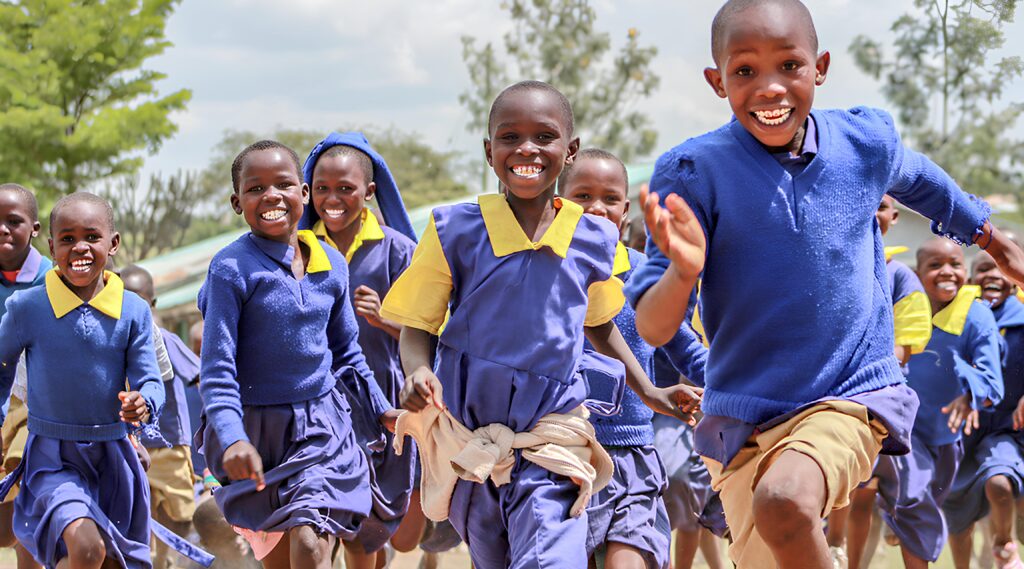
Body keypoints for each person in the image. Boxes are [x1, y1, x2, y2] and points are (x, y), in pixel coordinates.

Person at [626, 1, 1024, 567]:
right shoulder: (691, 173)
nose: (769, 88)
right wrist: (684, 271)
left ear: (820, 67)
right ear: (717, 81)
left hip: (851, 393)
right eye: (745, 72)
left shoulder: (863, 142)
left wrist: (991, 238)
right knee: (779, 523)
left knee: (785, 499)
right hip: (745, 422)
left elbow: (922, 181)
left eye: (789, 65)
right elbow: (654, 324)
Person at [382, 80, 700, 569]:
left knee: (552, 557)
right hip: (473, 449)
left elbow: (601, 325)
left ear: (569, 151)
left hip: (552, 441)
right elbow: (418, 325)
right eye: (510, 137)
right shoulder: (454, 231)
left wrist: (649, 392)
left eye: (544, 137)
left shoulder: (592, 237)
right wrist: (417, 371)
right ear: (490, 152)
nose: (526, 149)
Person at [196, 140, 395, 569]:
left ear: (303, 194)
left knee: (310, 543)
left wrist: (381, 410)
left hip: (322, 426)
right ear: (237, 202)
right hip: (257, 435)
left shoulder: (332, 265)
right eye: (255, 189)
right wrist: (232, 437)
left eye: (283, 184)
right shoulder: (230, 269)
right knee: (282, 559)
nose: (271, 196)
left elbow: (345, 352)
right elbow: (217, 370)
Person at [558, 148, 713, 569]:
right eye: (582, 196)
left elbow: (680, 341)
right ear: (558, 206)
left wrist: (728, 380)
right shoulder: (546, 275)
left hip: (632, 452)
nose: (596, 207)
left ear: (625, 211)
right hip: (562, 456)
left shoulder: (643, 272)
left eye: (610, 198)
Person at [0, 191, 165, 568]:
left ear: (114, 243)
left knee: (106, 561)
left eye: (92, 237)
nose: (80, 248)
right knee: (87, 547)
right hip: (52, 457)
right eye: (68, 239)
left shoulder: (134, 310)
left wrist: (144, 401)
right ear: (51, 244)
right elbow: (2, 367)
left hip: (114, 457)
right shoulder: (27, 308)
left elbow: (150, 381)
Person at [299, 132, 419, 568]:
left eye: (345, 188)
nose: (333, 199)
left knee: (374, 532)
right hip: (317, 403)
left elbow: (434, 333)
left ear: (368, 191)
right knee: (331, 521)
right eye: (322, 188)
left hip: (382, 400)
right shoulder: (297, 250)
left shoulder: (398, 250)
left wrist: (384, 318)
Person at [872, 239, 1004, 568]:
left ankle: (898, 518)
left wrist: (970, 396)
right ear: (918, 273)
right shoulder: (902, 304)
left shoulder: (977, 316)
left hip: (947, 436)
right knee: (915, 497)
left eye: (956, 264)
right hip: (904, 427)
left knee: (926, 501)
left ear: (966, 272)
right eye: (935, 265)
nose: (947, 272)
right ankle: (902, 515)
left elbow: (993, 384)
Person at [830, 195, 933, 569]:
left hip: (880, 394)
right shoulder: (832, 264)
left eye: (881, 204)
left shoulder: (900, 276)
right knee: (858, 489)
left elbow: (905, 346)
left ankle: (874, 531)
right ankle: (838, 546)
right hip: (832, 392)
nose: (872, 211)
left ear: (893, 215)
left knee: (889, 490)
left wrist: (859, 365)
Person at [942, 249, 1024, 569]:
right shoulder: (959, 318)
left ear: (1015, 277)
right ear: (972, 279)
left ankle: (1004, 546)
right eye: (983, 269)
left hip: (1006, 429)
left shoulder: (1022, 318)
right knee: (957, 513)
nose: (992, 275)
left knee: (1000, 482)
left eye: (1001, 269)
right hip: (961, 430)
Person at [120, 264, 201, 569]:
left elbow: (198, 376)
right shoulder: (115, 339)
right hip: (131, 445)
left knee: (180, 510)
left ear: (152, 305)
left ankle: (169, 559)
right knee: (139, 510)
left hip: (169, 442)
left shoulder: (164, 339)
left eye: (141, 301)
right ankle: (152, 558)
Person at [0, 183, 49, 569]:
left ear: (34, 228)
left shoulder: (53, 279)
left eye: (13, 222)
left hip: (36, 409)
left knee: (21, 519)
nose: (2, 229)